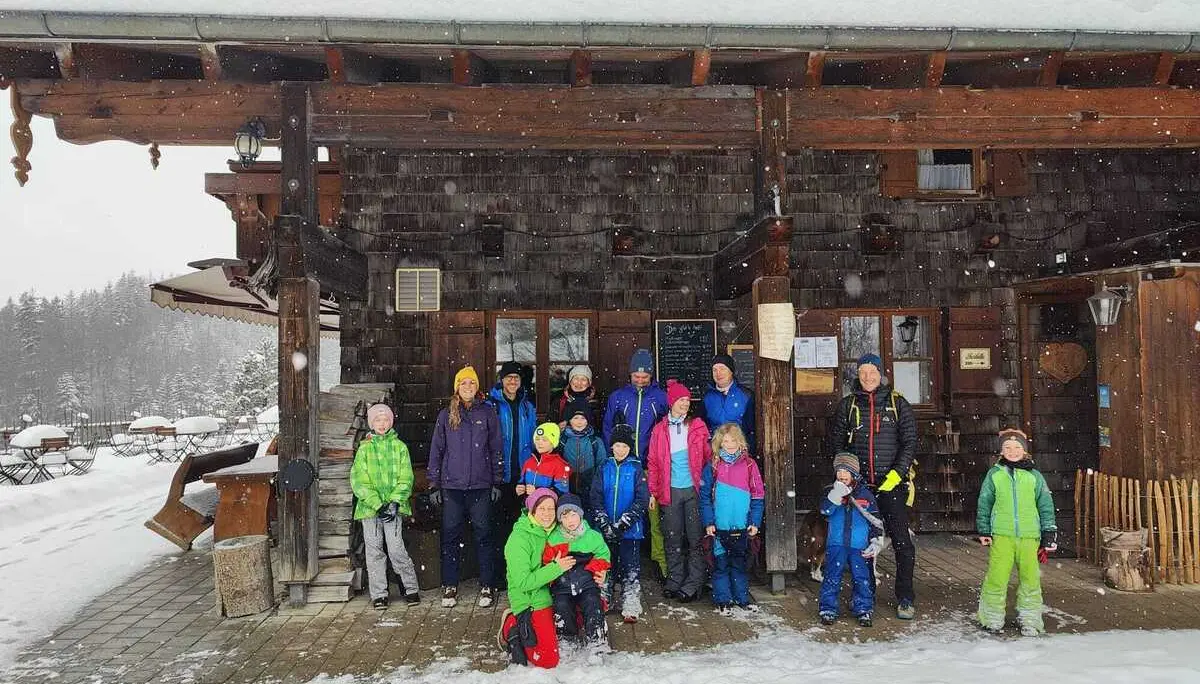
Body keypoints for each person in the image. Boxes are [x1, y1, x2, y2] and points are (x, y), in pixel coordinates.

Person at [829, 352, 918, 620]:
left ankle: (905, 596)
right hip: (860, 488)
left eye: (873, 372)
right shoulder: (848, 405)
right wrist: (847, 475)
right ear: (858, 375)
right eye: (863, 372)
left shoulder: (897, 404)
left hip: (892, 485)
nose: (868, 377)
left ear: (881, 374)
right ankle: (864, 598)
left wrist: (897, 474)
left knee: (902, 541)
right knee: (863, 543)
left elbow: (910, 442)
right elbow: (837, 444)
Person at [428, 366, 504, 609]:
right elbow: (437, 451)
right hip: (452, 487)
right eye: (464, 384)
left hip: (481, 486)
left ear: (477, 387)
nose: (468, 387)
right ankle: (450, 585)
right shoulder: (446, 415)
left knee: (484, 535)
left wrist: (497, 480)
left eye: (472, 383)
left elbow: (496, 449)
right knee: (450, 536)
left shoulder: (488, 413)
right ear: (457, 388)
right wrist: (433, 484)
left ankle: (487, 585)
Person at [977, 428, 1058, 637]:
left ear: (1025, 450)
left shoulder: (1034, 477)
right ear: (1001, 451)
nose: (1012, 451)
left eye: (1017, 447)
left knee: (1030, 579)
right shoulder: (995, 474)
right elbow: (985, 502)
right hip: (1002, 534)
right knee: (997, 577)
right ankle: (991, 617)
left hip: (1030, 536)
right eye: (1007, 447)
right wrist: (984, 529)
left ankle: (1030, 619)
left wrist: (1048, 532)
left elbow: (1046, 505)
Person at [350, 403, 421, 609]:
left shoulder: (400, 447)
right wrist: (377, 503)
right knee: (374, 551)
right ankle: (379, 593)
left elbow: (406, 477)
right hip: (370, 509)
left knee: (397, 548)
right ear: (372, 424)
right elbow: (359, 480)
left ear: (391, 422)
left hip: (393, 508)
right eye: (378, 420)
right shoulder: (364, 449)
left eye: (386, 420)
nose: (382, 424)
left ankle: (410, 587)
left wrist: (394, 502)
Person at [646, 379, 711, 601]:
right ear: (671, 402)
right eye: (681, 400)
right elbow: (653, 463)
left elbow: (708, 459)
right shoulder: (659, 430)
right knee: (672, 538)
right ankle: (675, 579)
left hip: (694, 491)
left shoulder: (697, 425)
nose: (685, 403)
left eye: (687, 400)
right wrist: (653, 492)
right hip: (670, 491)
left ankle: (694, 582)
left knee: (694, 539)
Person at [499, 488, 574, 669]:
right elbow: (523, 582)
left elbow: (587, 538)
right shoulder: (519, 539)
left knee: (586, 609)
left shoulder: (558, 530)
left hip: (557, 591)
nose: (547, 514)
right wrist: (555, 569)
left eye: (551, 509)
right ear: (532, 510)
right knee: (548, 660)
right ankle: (511, 625)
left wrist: (601, 566)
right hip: (531, 598)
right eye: (542, 509)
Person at [699, 423, 764, 615]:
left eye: (733, 440)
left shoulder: (750, 465)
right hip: (720, 526)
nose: (729, 444)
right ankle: (723, 600)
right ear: (719, 442)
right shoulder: (712, 465)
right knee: (720, 564)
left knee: (739, 563)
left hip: (742, 525)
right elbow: (704, 497)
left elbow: (758, 495)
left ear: (740, 441)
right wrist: (709, 522)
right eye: (725, 441)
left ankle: (741, 598)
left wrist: (755, 522)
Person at [590, 423, 650, 623]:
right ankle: (604, 596)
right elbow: (595, 496)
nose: (621, 450)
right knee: (606, 565)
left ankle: (631, 600)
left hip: (630, 531)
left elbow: (641, 499)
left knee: (630, 566)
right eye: (617, 446)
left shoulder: (635, 468)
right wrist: (604, 522)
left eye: (624, 446)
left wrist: (624, 523)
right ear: (611, 447)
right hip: (606, 529)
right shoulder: (604, 467)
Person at [818, 452, 885, 627]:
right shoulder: (830, 491)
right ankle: (828, 609)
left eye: (846, 471)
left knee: (862, 578)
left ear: (854, 473)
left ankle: (863, 609)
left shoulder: (865, 495)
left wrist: (876, 539)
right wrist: (835, 496)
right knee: (832, 576)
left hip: (859, 544)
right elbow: (825, 511)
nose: (842, 475)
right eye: (839, 471)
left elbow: (875, 519)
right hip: (836, 544)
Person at [487, 361, 538, 586]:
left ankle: (522, 573)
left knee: (524, 528)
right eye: (508, 377)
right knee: (501, 528)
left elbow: (535, 440)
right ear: (502, 379)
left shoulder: (527, 406)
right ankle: (500, 576)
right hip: (501, 475)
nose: (512, 381)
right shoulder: (492, 405)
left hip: (523, 476)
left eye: (516, 378)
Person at [544, 493, 611, 653]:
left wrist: (599, 571)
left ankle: (596, 639)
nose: (570, 521)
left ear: (580, 515)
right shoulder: (554, 538)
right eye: (565, 517)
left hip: (587, 583)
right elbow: (546, 560)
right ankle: (567, 638)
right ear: (560, 519)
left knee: (592, 603)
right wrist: (553, 571)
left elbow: (604, 555)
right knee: (561, 606)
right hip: (563, 585)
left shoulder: (593, 537)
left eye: (574, 515)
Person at [602, 349, 668, 461]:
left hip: (652, 459)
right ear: (630, 374)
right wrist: (613, 455)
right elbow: (608, 428)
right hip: (623, 459)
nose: (640, 380)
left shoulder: (661, 397)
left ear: (651, 375)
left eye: (645, 377)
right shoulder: (617, 397)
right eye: (636, 376)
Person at [701, 354, 755, 456]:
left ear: (731, 371)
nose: (718, 373)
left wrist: (748, 453)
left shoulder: (746, 395)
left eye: (722, 369)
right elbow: (703, 428)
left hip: (739, 453)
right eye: (715, 370)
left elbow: (751, 430)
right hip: (715, 454)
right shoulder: (707, 397)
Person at [559, 399, 606, 497]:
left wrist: (597, 485)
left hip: (589, 486)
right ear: (569, 420)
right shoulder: (562, 440)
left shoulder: (595, 441)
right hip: (566, 485)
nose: (579, 422)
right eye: (575, 418)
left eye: (583, 418)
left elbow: (601, 465)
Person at [516, 423, 571, 496]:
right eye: (537, 439)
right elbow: (522, 481)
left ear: (553, 443)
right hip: (528, 505)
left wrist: (537, 491)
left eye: (544, 440)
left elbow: (562, 491)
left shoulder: (561, 465)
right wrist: (520, 487)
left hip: (548, 507)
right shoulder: (529, 461)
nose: (539, 443)